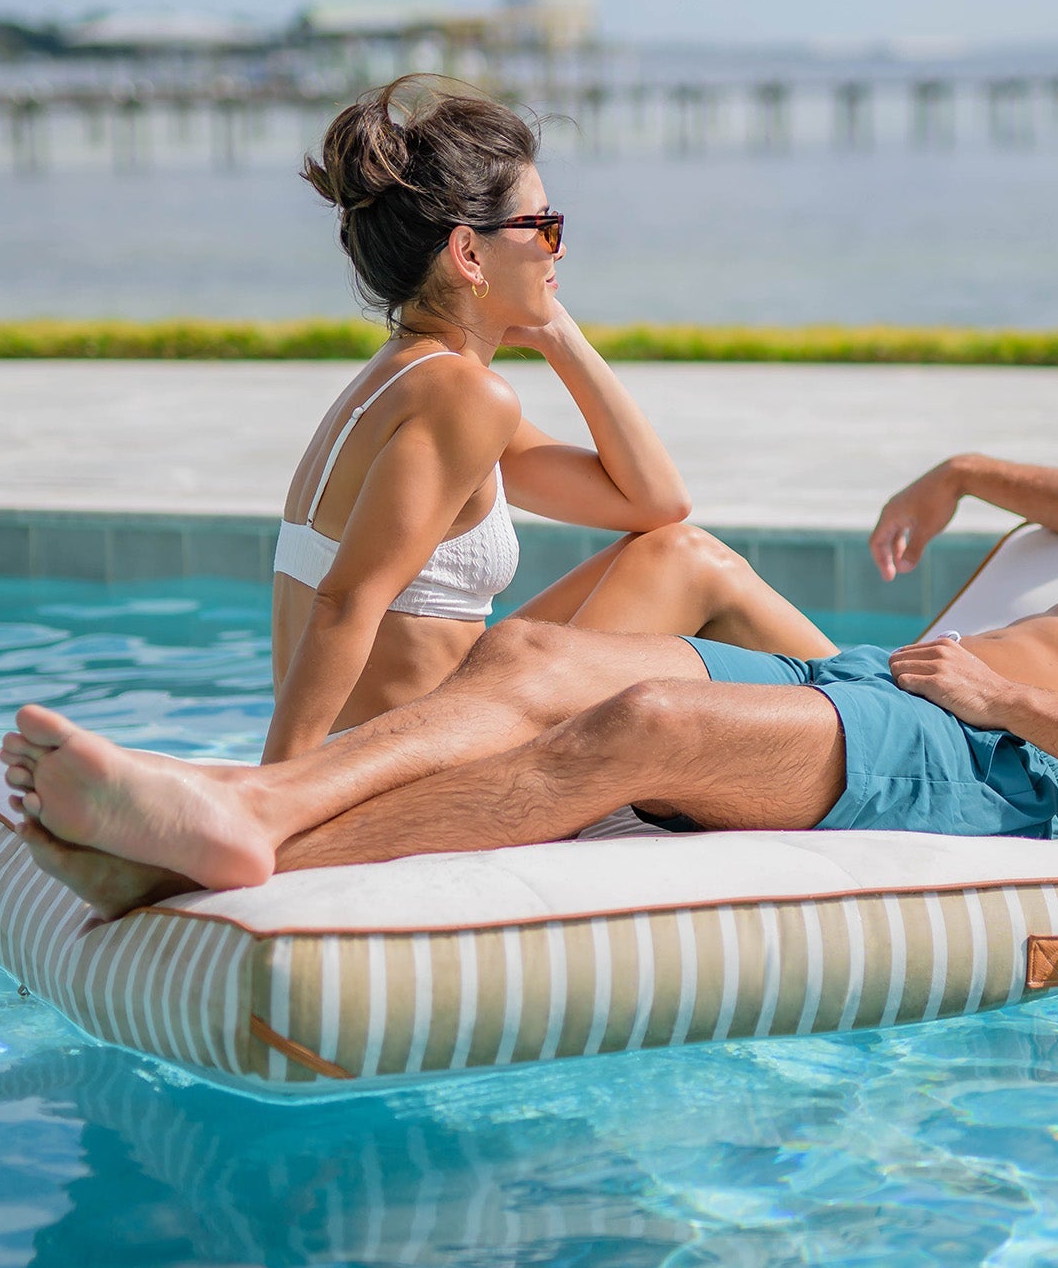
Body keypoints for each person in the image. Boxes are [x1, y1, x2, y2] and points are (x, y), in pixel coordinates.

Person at [0, 270, 1058, 919]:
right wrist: (960, 469)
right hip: (892, 698)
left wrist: (1010, 696)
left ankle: (239, 868)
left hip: (997, 762)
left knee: (641, 723)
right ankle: (251, 806)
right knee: (549, 654)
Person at [264, 76, 833, 761]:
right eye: (543, 227)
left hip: (419, 728)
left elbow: (654, 504)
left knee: (669, 549)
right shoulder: (463, 398)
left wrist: (562, 336)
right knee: (690, 563)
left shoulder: (407, 378)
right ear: (469, 254)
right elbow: (345, 603)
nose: (557, 249)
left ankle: (884, 707)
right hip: (411, 758)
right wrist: (280, 792)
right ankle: (901, 720)